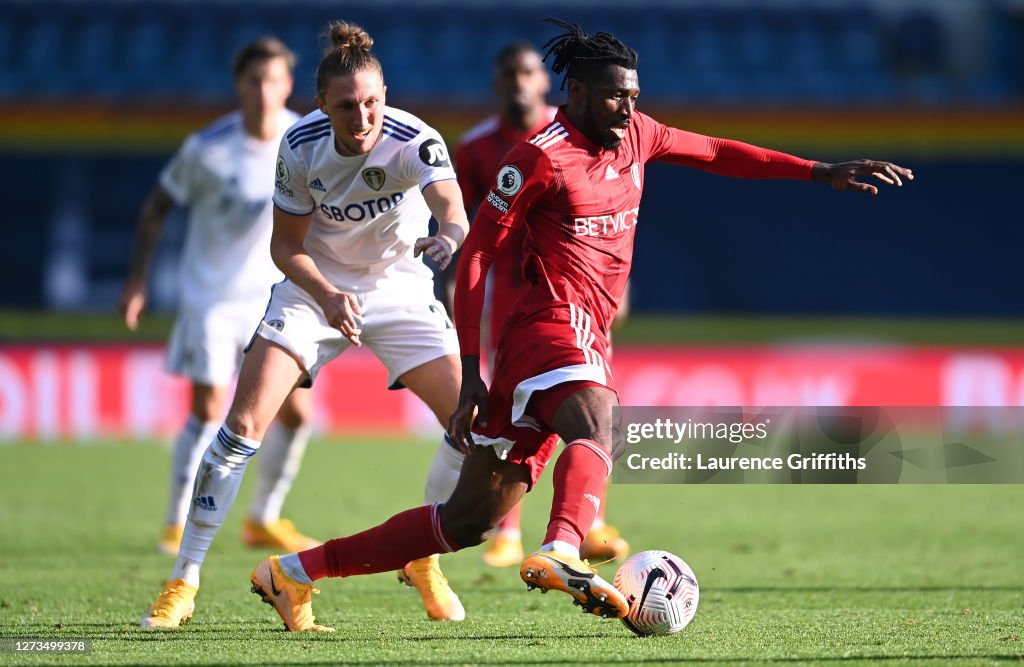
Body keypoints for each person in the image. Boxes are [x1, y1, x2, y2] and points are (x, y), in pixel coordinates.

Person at [249, 17, 912, 630]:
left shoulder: (639, 135)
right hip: (546, 326)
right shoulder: (539, 156)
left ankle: (293, 571)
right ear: (577, 92)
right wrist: (471, 363)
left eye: (633, 95)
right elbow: (477, 249)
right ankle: (563, 546)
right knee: (600, 421)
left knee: (469, 519)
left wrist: (820, 170)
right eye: (614, 96)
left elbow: (715, 151)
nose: (627, 107)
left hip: (577, 337)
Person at [141, 21, 470, 629]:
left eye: (372, 101)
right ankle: (182, 581)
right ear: (321, 104)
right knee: (240, 425)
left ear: (386, 95)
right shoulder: (299, 145)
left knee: (470, 424)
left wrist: (447, 238)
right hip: (313, 288)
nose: (362, 116)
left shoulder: (413, 139)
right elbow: (286, 246)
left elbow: (452, 207)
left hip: (399, 290)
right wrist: (327, 293)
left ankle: (422, 558)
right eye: (347, 105)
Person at [120, 37, 321, 560]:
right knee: (210, 409)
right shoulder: (207, 148)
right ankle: (175, 520)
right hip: (211, 299)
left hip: (275, 300)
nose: (263, 90)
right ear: (239, 85)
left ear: (288, 85)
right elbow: (154, 209)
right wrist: (137, 281)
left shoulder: (305, 138)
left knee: (297, 415)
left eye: (273, 80)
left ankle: (263, 519)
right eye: (254, 80)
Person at [451, 41, 628, 568]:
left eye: (528, 71)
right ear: (497, 83)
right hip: (518, 291)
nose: (519, 82)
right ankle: (510, 527)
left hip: (585, 289)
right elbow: (469, 231)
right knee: (527, 410)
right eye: (509, 74)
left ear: (547, 81)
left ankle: (586, 524)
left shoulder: (592, 125)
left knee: (592, 406)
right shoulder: (479, 147)